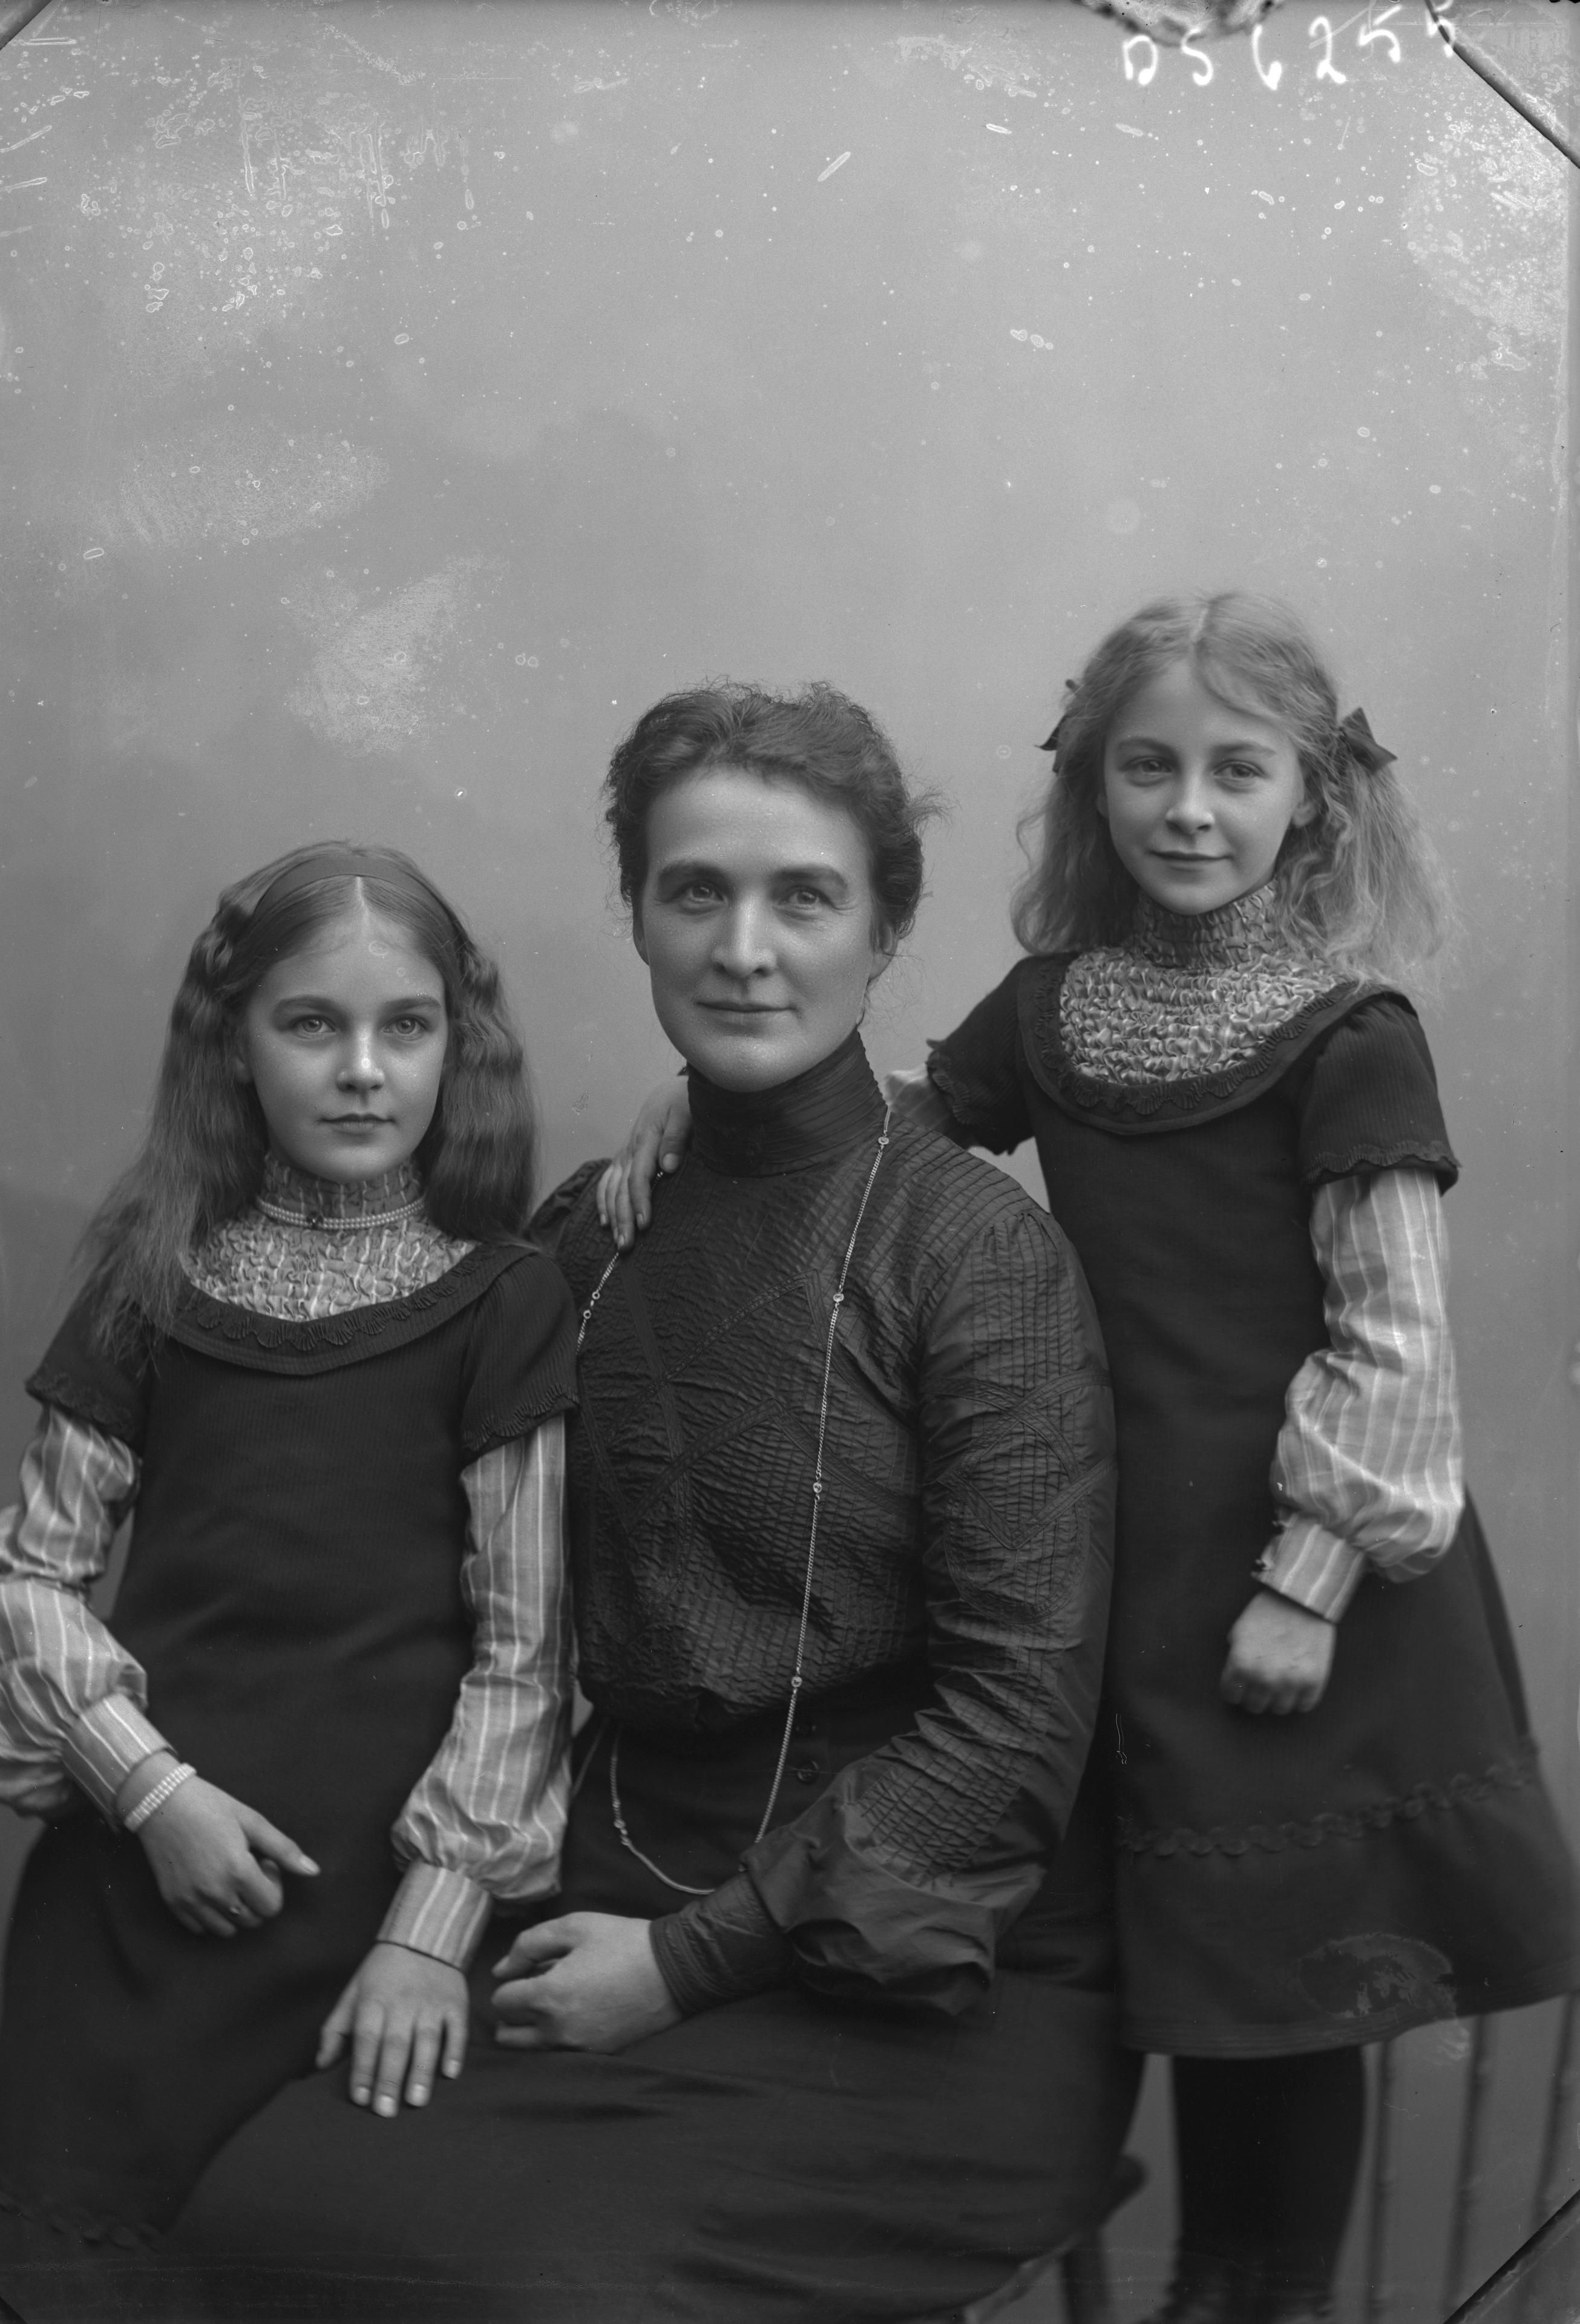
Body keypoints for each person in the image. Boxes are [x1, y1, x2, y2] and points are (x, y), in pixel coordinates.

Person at [602, 601, 1580, 2323]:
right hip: (1133, 1556)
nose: (1187, 809)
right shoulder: (1058, 1007)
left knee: (1282, 1984)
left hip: (1301, 1580)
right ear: (1092, 785)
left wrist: (1309, 1578)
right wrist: (713, 1099)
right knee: (1180, 1952)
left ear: (1311, 794)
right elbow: (891, 1125)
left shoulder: (1347, 1034)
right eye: (1147, 767)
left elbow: (1392, 1338)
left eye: (1234, 772)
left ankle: (1249, 2302)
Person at [162, 681, 1136, 2323]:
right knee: (257, 2217)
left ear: (886, 928)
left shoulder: (979, 1258)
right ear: (635, 912)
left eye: (802, 898)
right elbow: (482, 1610)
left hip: (922, 1966)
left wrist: (681, 1969)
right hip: (604, 1892)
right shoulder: (585, 1234)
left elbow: (1016, 1723)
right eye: (696, 892)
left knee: (533, 2293)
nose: (742, 950)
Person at [0, 843, 576, 2320]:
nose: (360, 1070)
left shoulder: (504, 1301)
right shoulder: (152, 1275)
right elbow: (26, 1580)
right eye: (310, 1024)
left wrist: (428, 1939)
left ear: (455, 1045)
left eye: (404, 1027)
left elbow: (527, 1657)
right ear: (233, 1042)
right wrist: (152, 1792)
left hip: (370, 1937)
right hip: (129, 1910)